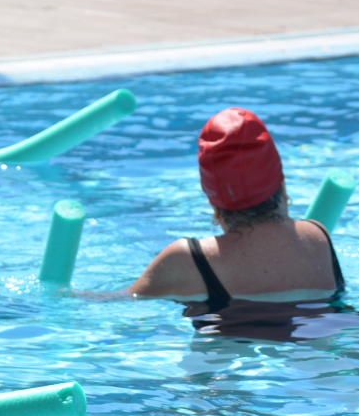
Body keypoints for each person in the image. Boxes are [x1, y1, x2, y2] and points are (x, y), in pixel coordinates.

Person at [128, 107, 345, 308]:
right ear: (282, 185)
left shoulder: (190, 259)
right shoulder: (318, 238)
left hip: (229, 348)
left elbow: (123, 303)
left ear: (213, 200)